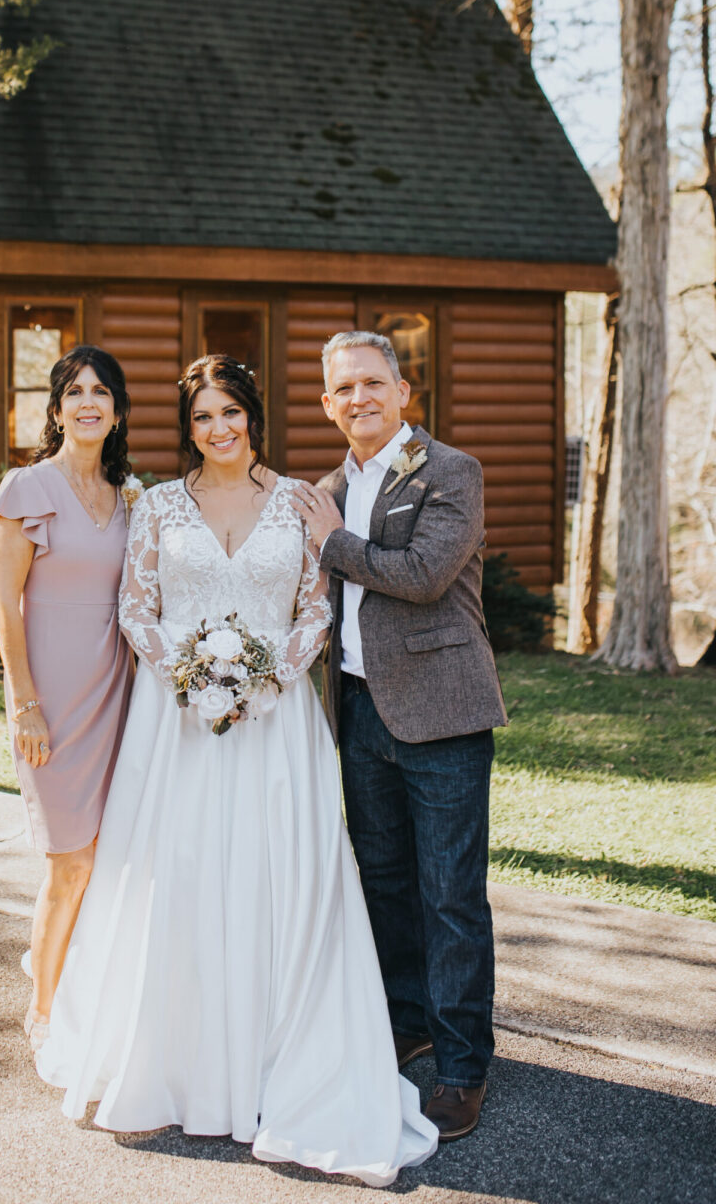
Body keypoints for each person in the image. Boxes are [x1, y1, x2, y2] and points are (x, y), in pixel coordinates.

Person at [34, 354, 438, 1187]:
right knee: (176, 876)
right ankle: (175, 1062)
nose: (218, 429)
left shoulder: (300, 502)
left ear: (253, 415)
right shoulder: (157, 507)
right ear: (187, 429)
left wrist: (264, 673)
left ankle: (272, 1063)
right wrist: (190, 672)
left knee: (270, 876)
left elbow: (317, 606)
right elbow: (134, 608)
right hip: (174, 724)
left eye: (230, 413)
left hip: (275, 721)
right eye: (202, 417)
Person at [292, 330, 508, 1143]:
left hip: (443, 713)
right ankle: (408, 1021)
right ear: (327, 403)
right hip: (358, 711)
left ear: (403, 391)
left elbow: (422, 576)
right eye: (343, 389)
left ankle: (462, 1068)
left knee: (451, 895)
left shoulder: (451, 472)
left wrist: (333, 542)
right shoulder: (327, 488)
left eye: (373, 384)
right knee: (383, 884)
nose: (360, 399)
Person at [0, 345, 138, 1047]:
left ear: (116, 410)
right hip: (51, 697)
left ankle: (78, 983)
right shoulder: (27, 488)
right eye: (74, 391)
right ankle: (43, 1010)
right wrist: (24, 702)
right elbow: (4, 601)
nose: (87, 402)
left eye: (100, 391)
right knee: (68, 858)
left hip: (118, 693)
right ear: (56, 410)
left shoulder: (131, 497)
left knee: (105, 853)